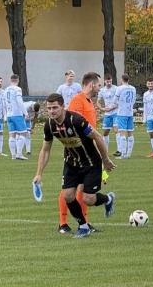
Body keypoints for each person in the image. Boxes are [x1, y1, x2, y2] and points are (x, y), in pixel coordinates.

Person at [33, 93, 116, 238]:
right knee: (67, 195)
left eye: (55, 108)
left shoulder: (76, 120)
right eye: (49, 108)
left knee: (88, 199)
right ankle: (83, 227)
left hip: (90, 162)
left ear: (63, 107)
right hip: (71, 163)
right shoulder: (49, 125)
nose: (52, 111)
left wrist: (106, 159)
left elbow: (97, 136)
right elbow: (45, 149)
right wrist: (39, 173)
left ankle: (108, 199)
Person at [58, 72, 102, 234]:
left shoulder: (90, 102)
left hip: (89, 153)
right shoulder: (77, 100)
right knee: (69, 188)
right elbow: (74, 127)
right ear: (91, 85)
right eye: (99, 85)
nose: (100, 88)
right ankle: (63, 223)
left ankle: (84, 223)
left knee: (83, 188)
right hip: (77, 152)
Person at [3, 74, 29, 160]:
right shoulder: (17, 89)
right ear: (18, 81)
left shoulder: (6, 90)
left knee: (12, 134)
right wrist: (25, 113)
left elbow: (3, 104)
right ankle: (19, 153)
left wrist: (5, 115)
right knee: (23, 132)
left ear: (10, 81)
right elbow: (19, 101)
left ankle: (13, 155)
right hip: (17, 114)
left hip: (9, 115)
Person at [112, 74, 137, 159]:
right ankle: (128, 154)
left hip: (122, 113)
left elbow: (114, 100)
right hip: (130, 112)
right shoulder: (133, 88)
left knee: (122, 132)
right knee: (130, 133)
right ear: (128, 80)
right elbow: (133, 100)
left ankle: (123, 154)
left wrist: (119, 104)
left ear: (121, 80)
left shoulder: (120, 88)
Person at [96, 74, 121, 156]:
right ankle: (105, 151)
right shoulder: (102, 90)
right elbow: (98, 102)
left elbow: (120, 100)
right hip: (107, 113)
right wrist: (102, 108)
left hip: (115, 112)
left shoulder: (116, 89)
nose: (109, 83)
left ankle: (119, 150)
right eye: (107, 82)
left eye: (110, 81)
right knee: (105, 132)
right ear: (104, 81)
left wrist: (114, 106)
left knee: (116, 130)